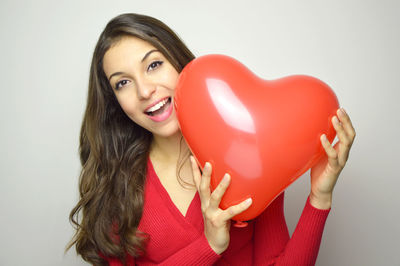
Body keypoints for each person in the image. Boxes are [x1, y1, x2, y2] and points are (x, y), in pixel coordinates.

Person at [68, 13, 356, 266]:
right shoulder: (115, 182)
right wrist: (209, 247)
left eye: (153, 65)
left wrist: (319, 198)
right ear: (114, 101)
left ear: (179, 63)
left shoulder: (251, 156)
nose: (144, 91)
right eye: (123, 82)